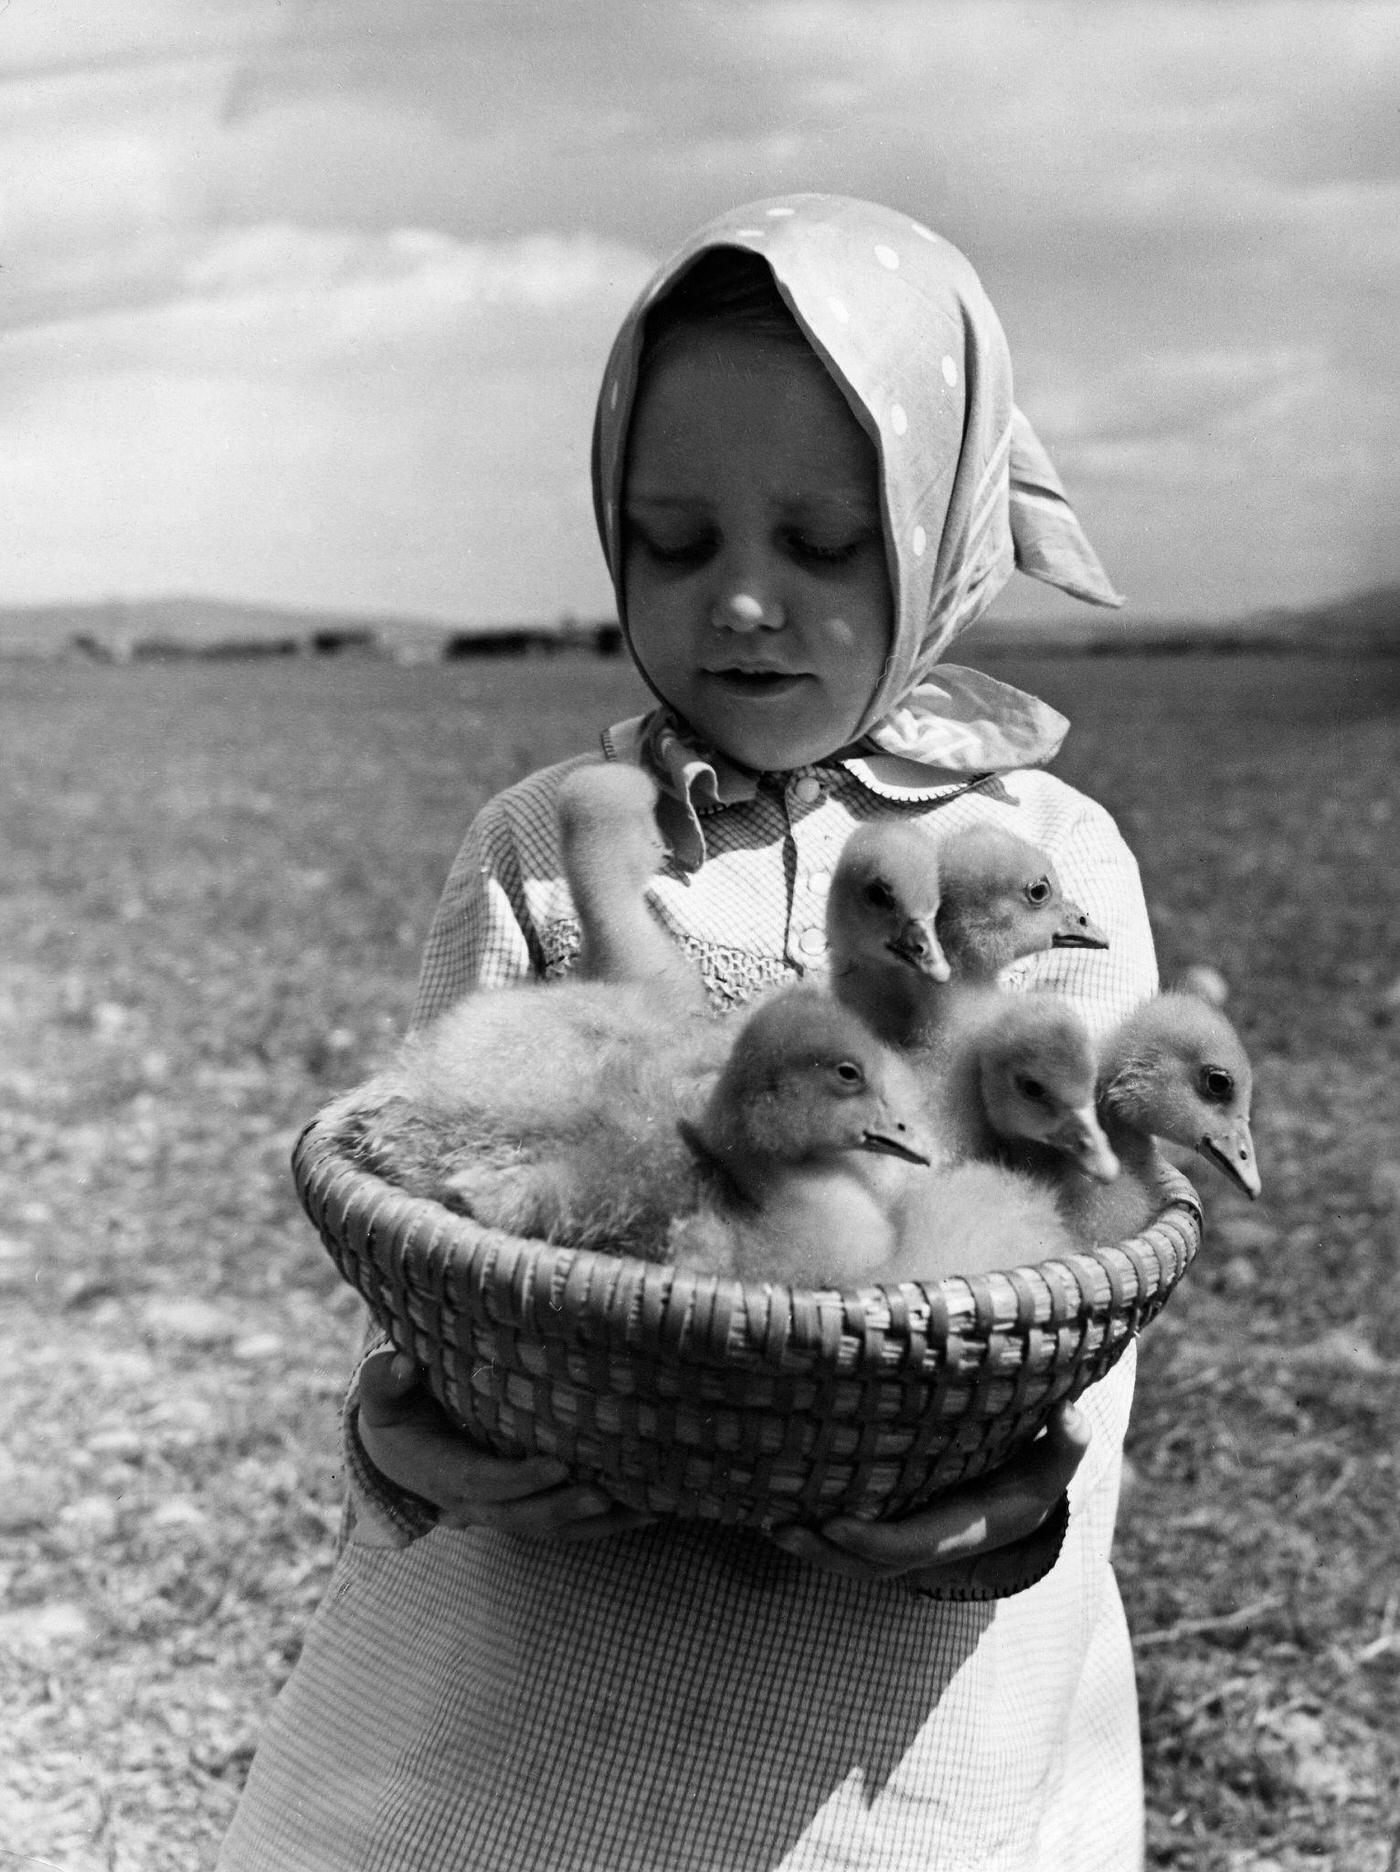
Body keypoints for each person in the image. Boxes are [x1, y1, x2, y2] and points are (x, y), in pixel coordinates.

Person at [219, 194, 1158, 1871]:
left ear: (943, 530)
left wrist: (1014, 1502)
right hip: (551, 1634)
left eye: (822, 542)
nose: (739, 604)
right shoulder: (541, 835)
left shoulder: (1049, 859)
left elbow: (1084, 1250)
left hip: (895, 1691)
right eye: (673, 540)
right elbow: (444, 1198)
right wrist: (403, 1430)